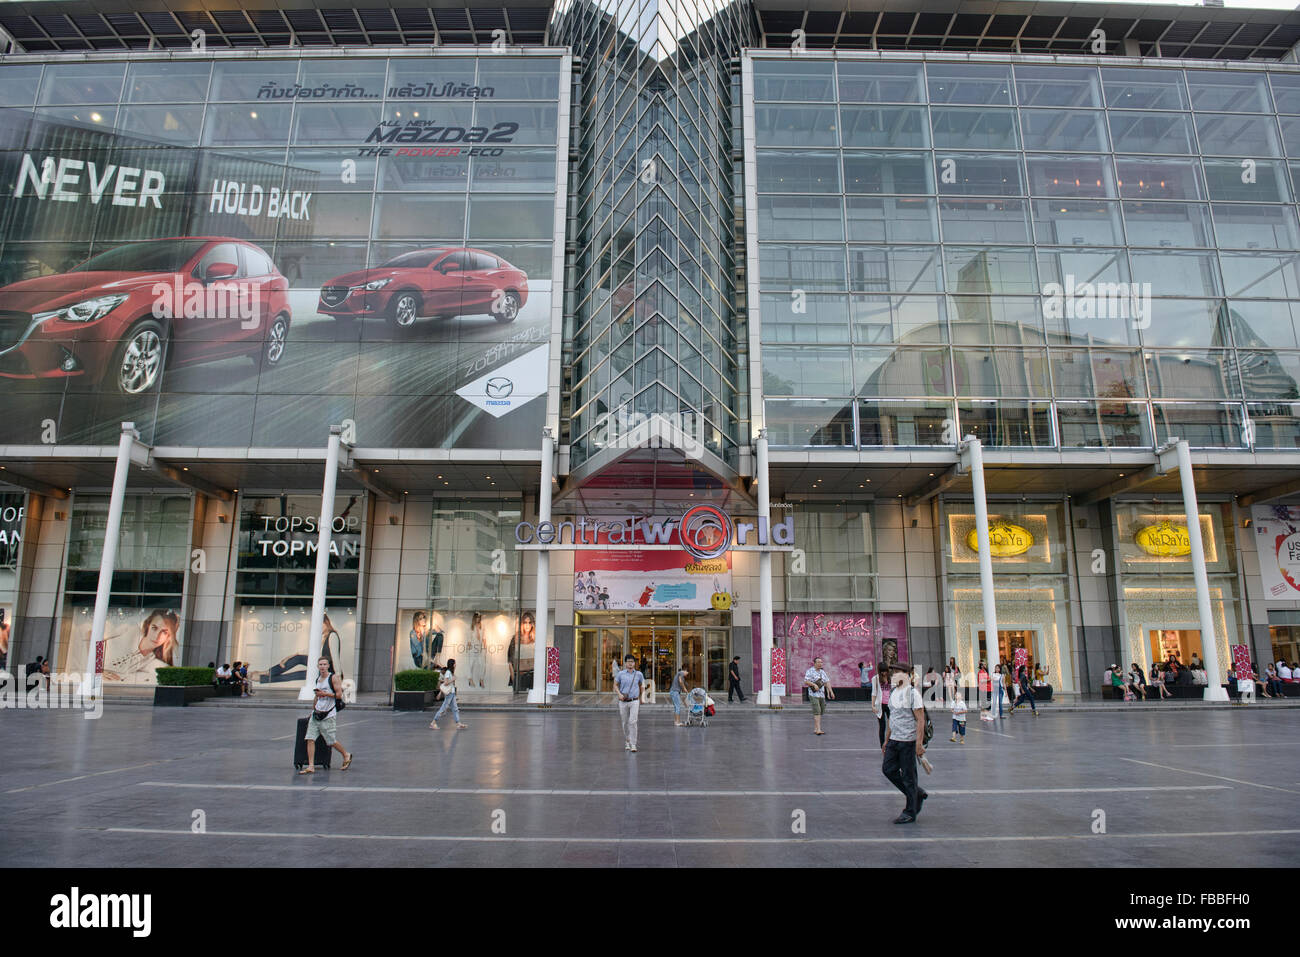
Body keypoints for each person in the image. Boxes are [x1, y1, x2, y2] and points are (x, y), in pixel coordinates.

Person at [881, 666, 928, 824]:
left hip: (908, 741)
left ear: (906, 675)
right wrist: (887, 740)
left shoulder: (913, 693)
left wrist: (919, 743)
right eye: (892, 672)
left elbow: (920, 719)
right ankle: (917, 793)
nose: (893, 675)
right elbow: (891, 717)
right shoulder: (894, 692)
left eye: (896, 673)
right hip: (894, 739)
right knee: (888, 769)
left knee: (909, 777)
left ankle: (910, 811)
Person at [300, 657, 352, 773]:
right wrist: (313, 710)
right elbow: (316, 696)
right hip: (317, 713)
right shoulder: (318, 679)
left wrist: (325, 694)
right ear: (318, 667)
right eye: (320, 665)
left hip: (328, 714)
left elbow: (338, 695)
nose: (322, 667)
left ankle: (346, 754)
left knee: (331, 741)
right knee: (310, 738)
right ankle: (311, 766)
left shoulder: (333, 678)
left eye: (324, 664)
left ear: (328, 666)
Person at [103, 608, 180, 682]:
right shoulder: (130, 629)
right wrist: (96, 670)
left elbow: (167, 671)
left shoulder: (150, 659)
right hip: (93, 677)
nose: (157, 636)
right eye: (154, 628)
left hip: (106, 686)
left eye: (164, 632)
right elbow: (93, 636)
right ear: (148, 625)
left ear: (169, 637)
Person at [615, 654, 644, 752]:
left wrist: (641, 697)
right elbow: (615, 685)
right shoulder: (621, 674)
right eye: (628, 662)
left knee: (633, 721)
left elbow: (642, 685)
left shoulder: (639, 674)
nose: (630, 663)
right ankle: (627, 740)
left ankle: (633, 743)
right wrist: (619, 694)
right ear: (625, 663)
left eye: (632, 662)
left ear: (635, 663)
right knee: (625, 722)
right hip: (623, 701)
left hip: (634, 700)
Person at [429, 658, 467, 730]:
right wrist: (452, 679)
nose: (456, 665)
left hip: (452, 693)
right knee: (443, 709)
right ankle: (433, 723)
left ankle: (458, 723)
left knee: (455, 709)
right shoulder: (448, 672)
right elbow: (446, 683)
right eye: (454, 663)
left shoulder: (451, 672)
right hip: (449, 694)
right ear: (452, 664)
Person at [804, 656, 834, 735]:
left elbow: (827, 682)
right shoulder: (810, 671)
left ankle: (816, 728)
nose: (820, 664)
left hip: (822, 695)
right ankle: (818, 729)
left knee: (821, 711)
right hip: (813, 694)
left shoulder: (822, 672)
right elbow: (806, 681)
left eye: (821, 662)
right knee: (817, 711)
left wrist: (831, 692)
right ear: (814, 663)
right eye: (818, 662)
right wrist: (814, 684)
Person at [871, 659, 892, 746]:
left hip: (890, 704)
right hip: (880, 704)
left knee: (892, 725)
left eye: (885, 671)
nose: (884, 673)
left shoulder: (891, 678)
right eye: (882, 671)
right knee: (882, 726)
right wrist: (872, 705)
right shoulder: (875, 679)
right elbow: (874, 693)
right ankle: (882, 745)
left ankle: (891, 743)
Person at [467, 613, 487, 689]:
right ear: (474, 618)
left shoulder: (482, 627)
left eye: (479, 617)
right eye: (476, 618)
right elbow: (469, 638)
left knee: (482, 664)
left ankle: (481, 679)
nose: (478, 619)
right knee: (471, 664)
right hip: (473, 647)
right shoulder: (471, 627)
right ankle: (470, 678)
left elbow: (484, 637)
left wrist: (485, 647)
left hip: (480, 647)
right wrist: (468, 649)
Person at [669, 663, 688, 727]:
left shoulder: (680, 675)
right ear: (685, 671)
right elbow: (680, 681)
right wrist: (684, 688)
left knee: (676, 707)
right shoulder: (681, 673)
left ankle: (677, 721)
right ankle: (677, 722)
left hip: (674, 692)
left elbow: (681, 683)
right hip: (674, 692)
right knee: (677, 707)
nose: (687, 674)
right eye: (687, 672)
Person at [949, 679, 967, 743]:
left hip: (962, 719)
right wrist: (954, 712)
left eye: (958, 695)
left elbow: (965, 710)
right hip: (955, 718)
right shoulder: (953, 702)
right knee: (954, 727)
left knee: (961, 729)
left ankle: (962, 739)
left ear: (961, 697)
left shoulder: (962, 703)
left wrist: (959, 712)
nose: (957, 696)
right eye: (956, 695)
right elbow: (951, 709)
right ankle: (953, 737)